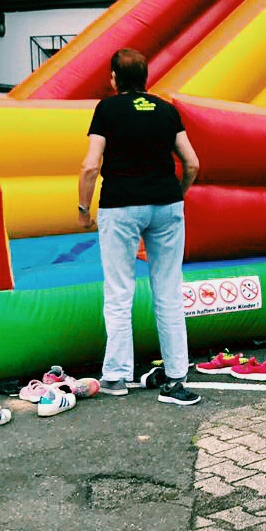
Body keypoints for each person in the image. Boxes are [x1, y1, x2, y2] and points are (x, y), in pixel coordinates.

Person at [79, 48, 201, 405]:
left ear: (114, 79)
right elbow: (192, 163)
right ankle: (176, 373)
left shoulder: (107, 109)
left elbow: (90, 166)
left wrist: (84, 209)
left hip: (121, 206)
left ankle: (116, 375)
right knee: (168, 290)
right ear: (146, 80)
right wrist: (174, 196)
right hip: (166, 205)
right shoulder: (166, 110)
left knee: (119, 292)